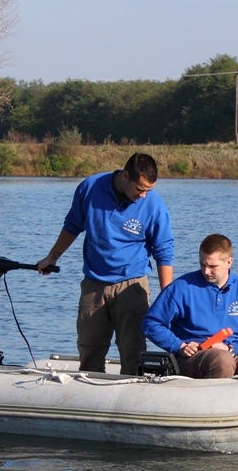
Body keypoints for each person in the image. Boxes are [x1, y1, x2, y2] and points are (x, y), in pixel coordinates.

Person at [37, 152, 174, 375]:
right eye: (140, 189)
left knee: (133, 352)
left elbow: (164, 251)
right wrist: (52, 257)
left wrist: (168, 294)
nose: (143, 196)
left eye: (148, 190)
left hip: (132, 285)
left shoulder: (154, 205)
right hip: (94, 284)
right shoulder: (90, 188)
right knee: (89, 350)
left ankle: (130, 401)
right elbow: (72, 226)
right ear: (125, 176)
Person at [142, 233, 238, 379]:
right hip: (191, 356)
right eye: (202, 264)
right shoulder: (181, 288)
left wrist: (232, 348)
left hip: (232, 352)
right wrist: (179, 346)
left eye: (212, 266)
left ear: (229, 262)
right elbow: (151, 323)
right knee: (221, 360)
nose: (206, 271)